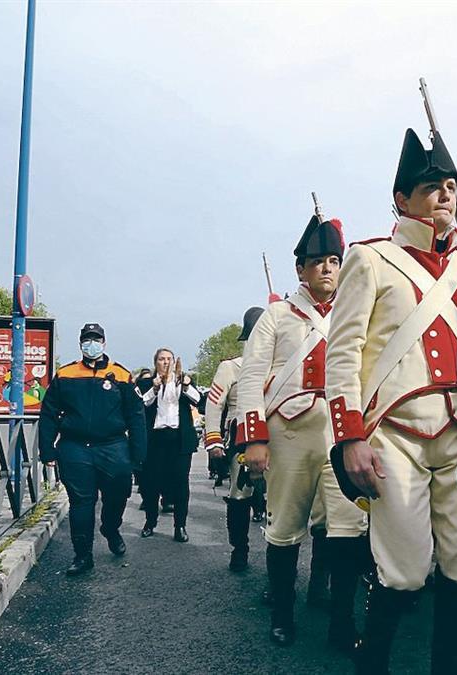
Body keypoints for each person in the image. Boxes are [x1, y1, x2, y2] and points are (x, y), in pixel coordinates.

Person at [328, 127, 457, 674]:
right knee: (404, 570)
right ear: (401, 198)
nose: (445, 194)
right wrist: (350, 436)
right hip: (395, 434)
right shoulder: (371, 260)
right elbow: (343, 353)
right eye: (430, 186)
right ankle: (371, 663)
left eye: (450, 185)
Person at [235, 212, 367, 647]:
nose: (327, 268)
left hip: (342, 433)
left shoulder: (356, 309)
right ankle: (283, 614)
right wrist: (254, 438)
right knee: (286, 528)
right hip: (290, 434)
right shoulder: (278, 315)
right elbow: (252, 379)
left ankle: (341, 622)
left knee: (348, 529)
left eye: (334, 260)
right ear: (301, 269)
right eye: (318, 262)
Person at [38, 323, 146, 576]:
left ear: (104, 343)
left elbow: (136, 416)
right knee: (81, 502)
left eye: (96, 339)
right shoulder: (65, 375)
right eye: (87, 339)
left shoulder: (120, 375)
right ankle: (82, 555)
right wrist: (47, 450)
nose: (91, 343)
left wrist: (138, 455)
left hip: (113, 447)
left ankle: (110, 528)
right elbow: (49, 414)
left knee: (117, 495)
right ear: (80, 344)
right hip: (75, 448)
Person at [204, 306, 265, 572]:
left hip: (278, 439)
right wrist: (214, 440)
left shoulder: (284, 366)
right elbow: (214, 404)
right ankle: (239, 549)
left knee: (278, 502)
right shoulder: (231, 367)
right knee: (240, 495)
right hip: (241, 438)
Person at [138, 349, 201, 542]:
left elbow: (199, 401)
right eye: (161, 359)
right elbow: (140, 405)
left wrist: (186, 386)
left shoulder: (184, 380)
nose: (165, 363)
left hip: (179, 439)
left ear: (174, 362)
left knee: (180, 483)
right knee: (151, 483)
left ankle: (180, 525)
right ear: (155, 362)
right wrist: (154, 388)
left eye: (168, 359)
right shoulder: (145, 383)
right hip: (155, 438)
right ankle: (150, 521)